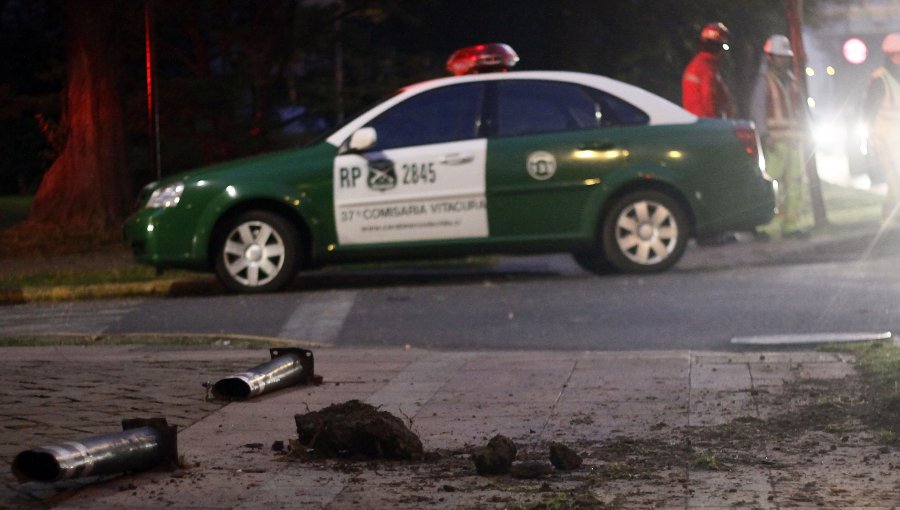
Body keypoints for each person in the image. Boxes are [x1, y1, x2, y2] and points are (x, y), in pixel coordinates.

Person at [750, 34, 809, 239]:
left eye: (785, 57)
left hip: (793, 143)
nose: (783, 60)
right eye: (779, 56)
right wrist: (765, 136)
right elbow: (758, 110)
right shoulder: (765, 82)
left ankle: (791, 225)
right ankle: (766, 227)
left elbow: (800, 111)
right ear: (770, 58)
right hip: (774, 143)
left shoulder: (792, 81)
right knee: (771, 186)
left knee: (795, 185)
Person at [863, 32, 900, 219]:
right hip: (884, 137)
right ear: (888, 56)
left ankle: (889, 217)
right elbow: (869, 109)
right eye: (896, 55)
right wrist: (868, 135)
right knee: (895, 179)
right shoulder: (880, 78)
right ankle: (890, 217)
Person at [682, 22, 734, 118]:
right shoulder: (708, 69)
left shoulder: (694, 66)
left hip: (695, 124)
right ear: (719, 47)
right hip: (707, 127)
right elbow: (709, 99)